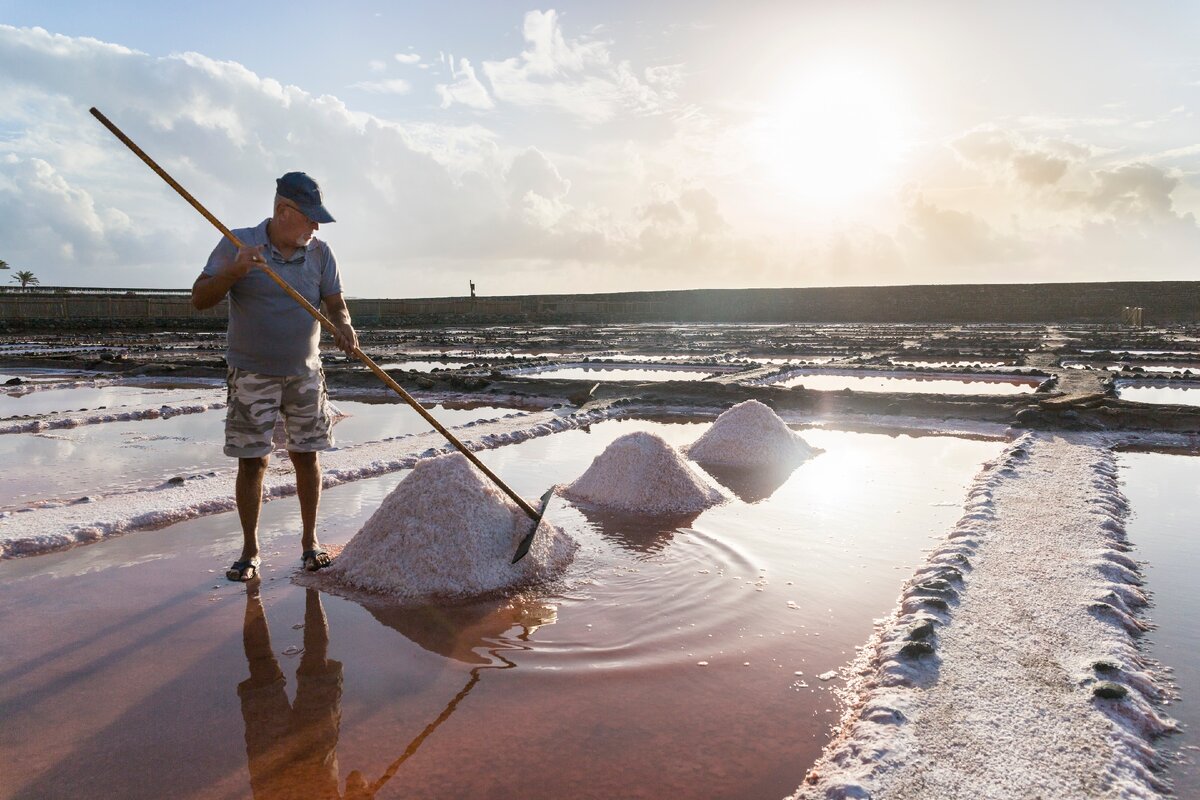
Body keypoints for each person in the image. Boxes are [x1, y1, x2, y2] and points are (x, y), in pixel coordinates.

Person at [192, 172, 357, 581]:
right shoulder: (238, 243)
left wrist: (344, 325)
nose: (316, 226)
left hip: (304, 373)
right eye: (310, 218)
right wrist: (235, 271)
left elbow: (335, 304)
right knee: (253, 463)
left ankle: (310, 543)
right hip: (251, 373)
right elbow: (199, 298)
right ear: (284, 211)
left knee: (307, 456)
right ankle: (250, 550)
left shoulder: (321, 254)